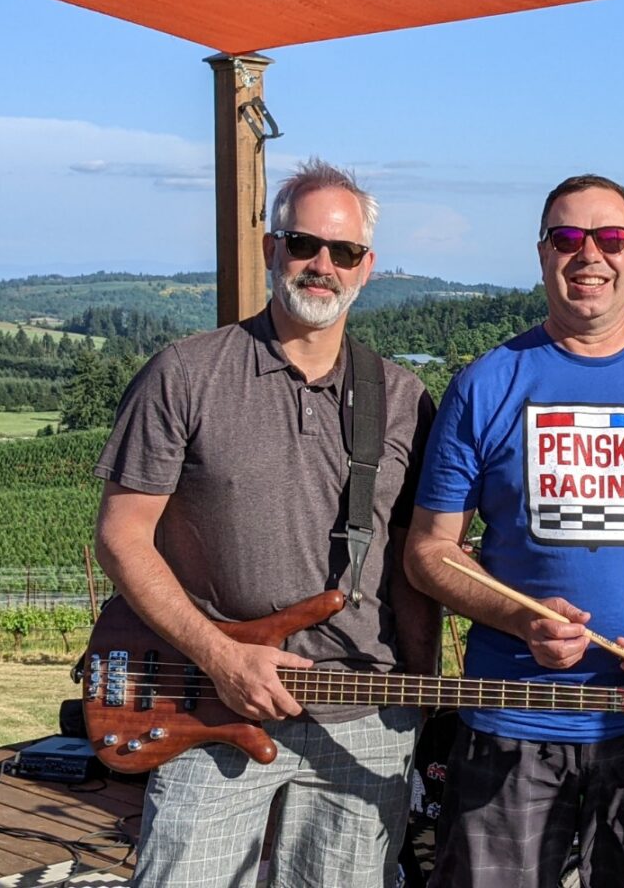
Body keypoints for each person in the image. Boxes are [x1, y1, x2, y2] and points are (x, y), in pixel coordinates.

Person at [93, 158, 438, 888]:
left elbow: (413, 565)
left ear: (367, 267)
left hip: (364, 721)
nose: (322, 266)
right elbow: (122, 537)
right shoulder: (185, 374)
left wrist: (421, 701)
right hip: (208, 707)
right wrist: (222, 656)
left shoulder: (403, 398)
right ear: (270, 248)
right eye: (304, 244)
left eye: (342, 252)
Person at [404, 174, 624, 888]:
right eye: (568, 237)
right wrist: (520, 618)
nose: (591, 254)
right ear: (543, 253)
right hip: (513, 720)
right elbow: (429, 553)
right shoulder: (487, 384)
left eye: (610, 238)